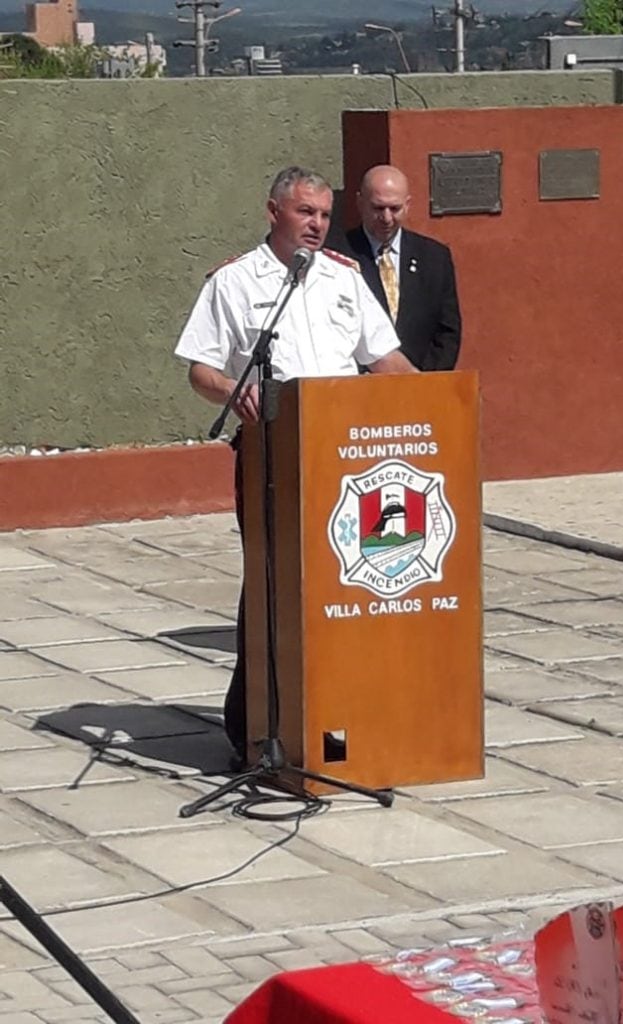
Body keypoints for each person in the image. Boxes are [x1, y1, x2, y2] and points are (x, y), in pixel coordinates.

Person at [174, 165, 417, 763]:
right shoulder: (234, 283)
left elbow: (384, 358)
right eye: (306, 212)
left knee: (344, 590)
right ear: (274, 212)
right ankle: (252, 727)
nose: (317, 225)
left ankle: (338, 722)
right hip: (273, 453)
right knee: (271, 587)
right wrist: (235, 389)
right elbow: (199, 368)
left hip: (346, 458)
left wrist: (437, 406)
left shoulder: (343, 279)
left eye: (326, 215)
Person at [344, 164, 462, 372]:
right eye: (378, 208)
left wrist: (425, 382)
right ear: (360, 203)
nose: (387, 218)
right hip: (359, 389)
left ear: (407, 205)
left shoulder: (434, 257)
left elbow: (447, 332)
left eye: (395, 208)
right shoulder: (337, 256)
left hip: (419, 388)